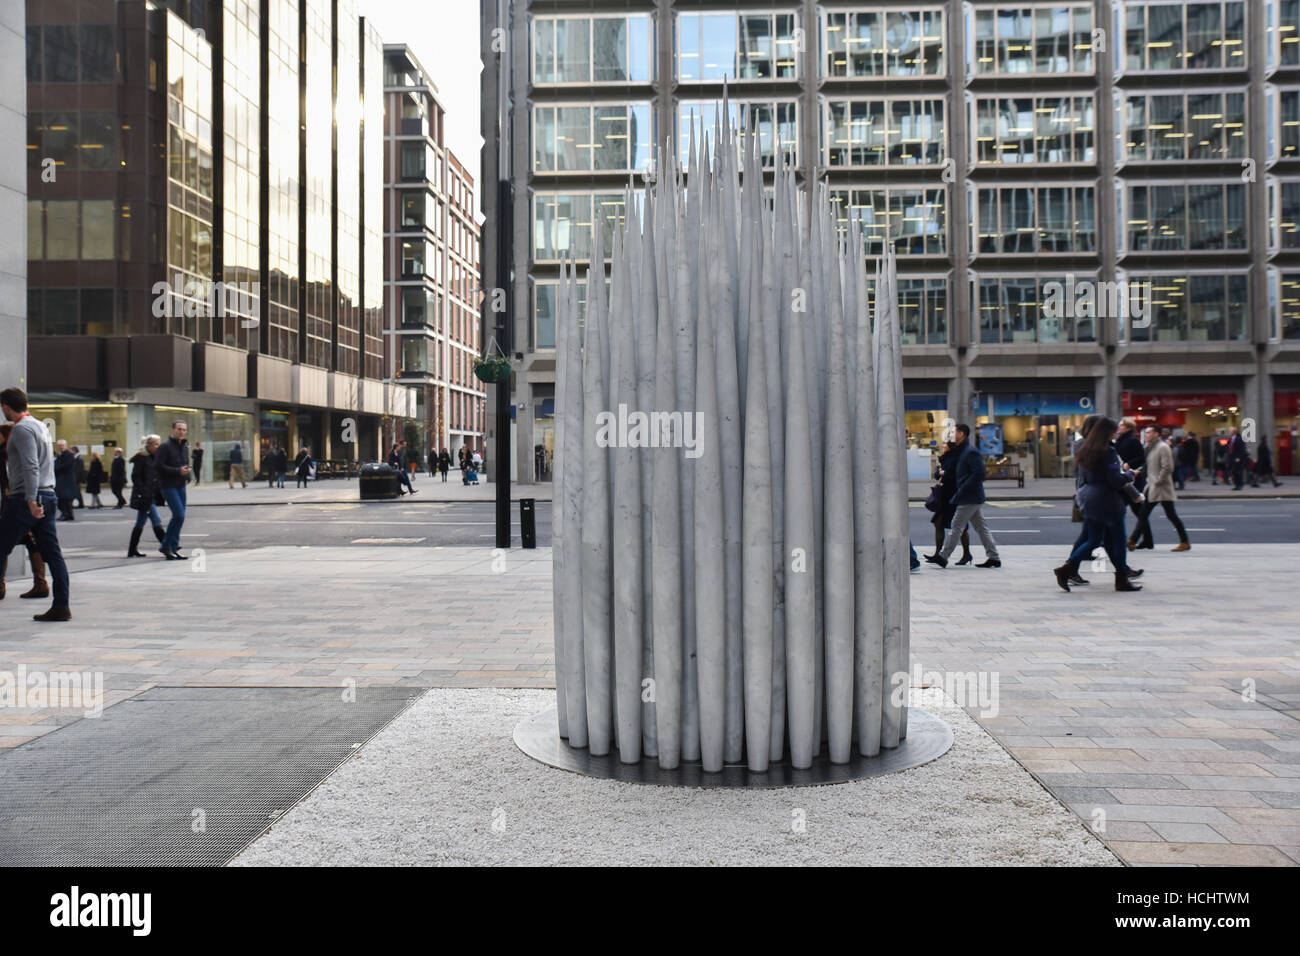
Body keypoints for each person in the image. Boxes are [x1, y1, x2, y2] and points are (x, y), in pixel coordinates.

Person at [0, 387, 72, 621]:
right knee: (53, 554)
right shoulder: (40, 426)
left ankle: (60, 606)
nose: (2, 410)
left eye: (2, 406)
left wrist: (31, 499)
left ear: (7, 406)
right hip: (48, 494)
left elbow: (31, 465)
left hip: (26, 498)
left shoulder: (21, 429)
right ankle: (61, 606)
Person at [1053, 416, 1143, 593]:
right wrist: (1129, 475)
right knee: (1118, 540)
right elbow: (1114, 480)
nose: (1116, 432)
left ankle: (1067, 568)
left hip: (1089, 497)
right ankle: (1121, 579)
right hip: (1107, 499)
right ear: (1106, 432)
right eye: (1114, 429)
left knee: (1094, 539)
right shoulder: (1107, 451)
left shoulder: (1084, 449)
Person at [925, 423, 1000, 568]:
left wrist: (963, 489)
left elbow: (979, 473)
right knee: (981, 528)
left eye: (953, 432)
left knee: (956, 526)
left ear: (961, 434)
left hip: (969, 496)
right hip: (970, 496)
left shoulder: (970, 451)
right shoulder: (962, 450)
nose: (951, 434)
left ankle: (943, 557)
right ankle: (994, 557)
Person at [0, 421, 49, 600]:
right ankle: (40, 583)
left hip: (17, 502)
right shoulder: (12, 451)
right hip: (21, 500)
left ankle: (38, 584)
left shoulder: (10, 452)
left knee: (5, 541)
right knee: (32, 542)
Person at [1128, 426, 1190, 553]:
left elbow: (1168, 467)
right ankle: (1184, 541)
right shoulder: (1151, 447)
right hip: (1153, 486)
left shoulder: (1163, 447)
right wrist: (1137, 472)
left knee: (1145, 514)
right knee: (1167, 515)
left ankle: (1132, 540)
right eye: (1145, 432)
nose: (1146, 435)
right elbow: (1148, 465)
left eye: (1149, 432)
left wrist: (1158, 480)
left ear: (1156, 434)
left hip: (1160, 487)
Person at [926, 439, 972, 566]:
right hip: (945, 498)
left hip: (953, 497)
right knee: (938, 523)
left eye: (945, 444)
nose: (943, 446)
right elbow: (937, 474)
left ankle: (966, 554)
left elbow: (956, 476)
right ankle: (937, 553)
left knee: (960, 527)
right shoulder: (945, 458)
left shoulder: (957, 460)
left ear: (950, 447)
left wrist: (944, 474)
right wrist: (940, 473)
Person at [155, 420, 192, 559]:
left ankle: (173, 547)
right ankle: (166, 546)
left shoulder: (184, 446)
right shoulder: (165, 446)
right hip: (168, 485)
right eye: (179, 429)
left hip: (181, 485)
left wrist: (187, 475)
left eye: (184, 429)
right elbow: (158, 466)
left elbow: (185, 463)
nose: (181, 432)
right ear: (173, 430)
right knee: (179, 515)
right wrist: (178, 471)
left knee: (180, 518)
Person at [126, 435, 166, 558]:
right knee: (156, 520)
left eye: (159, 444)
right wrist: (143, 491)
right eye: (156, 444)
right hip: (145, 495)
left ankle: (132, 550)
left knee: (140, 523)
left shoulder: (154, 457)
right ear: (149, 445)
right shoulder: (142, 458)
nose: (158, 447)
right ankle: (167, 545)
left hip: (150, 494)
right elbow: (135, 476)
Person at [1113, 417, 1147, 542]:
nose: (1119, 427)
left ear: (1128, 428)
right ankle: (1147, 539)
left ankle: (1121, 539)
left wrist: (1129, 464)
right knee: (1138, 511)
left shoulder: (1133, 441)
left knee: (1121, 508)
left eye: (1122, 425)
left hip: (1133, 479)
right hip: (1125, 478)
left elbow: (1141, 459)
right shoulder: (1119, 440)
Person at [53, 439, 77, 521]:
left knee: (64, 499)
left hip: (65, 481)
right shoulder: (62, 455)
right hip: (64, 480)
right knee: (64, 499)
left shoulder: (68, 455)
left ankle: (66, 514)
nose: (61, 447)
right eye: (59, 446)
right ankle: (68, 514)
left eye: (62, 445)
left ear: (66, 446)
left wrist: (55, 468)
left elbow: (64, 466)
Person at [1226, 426, 1249, 490]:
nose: (1229, 432)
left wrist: (1238, 457)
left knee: (1237, 472)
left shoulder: (1239, 439)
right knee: (1234, 472)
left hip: (1237, 458)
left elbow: (1241, 449)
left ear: (1234, 432)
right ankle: (1236, 485)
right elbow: (1229, 448)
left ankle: (1240, 484)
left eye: (1230, 431)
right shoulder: (1231, 439)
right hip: (1232, 458)